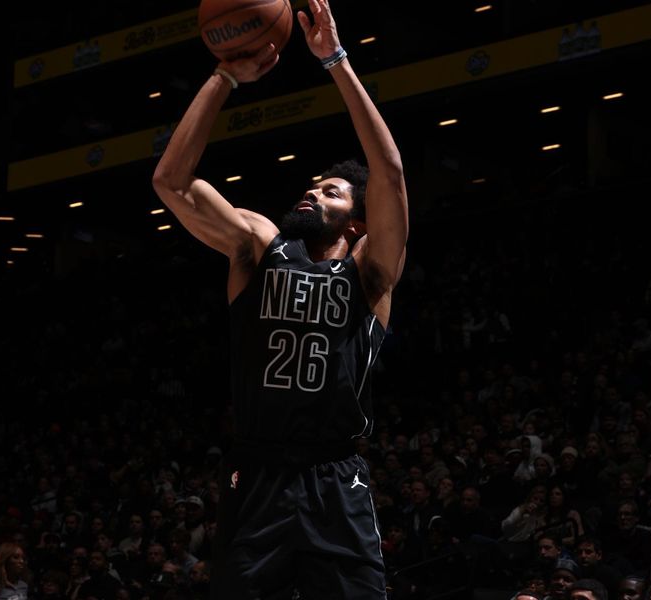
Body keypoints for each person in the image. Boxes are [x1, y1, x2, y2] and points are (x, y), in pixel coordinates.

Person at [151, 0, 408, 596]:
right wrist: (224, 77)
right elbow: (170, 181)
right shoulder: (257, 246)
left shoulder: (371, 272)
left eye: (333, 191)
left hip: (335, 476)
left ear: (356, 222)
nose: (313, 193)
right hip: (258, 473)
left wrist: (336, 60)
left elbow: (389, 172)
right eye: (312, 186)